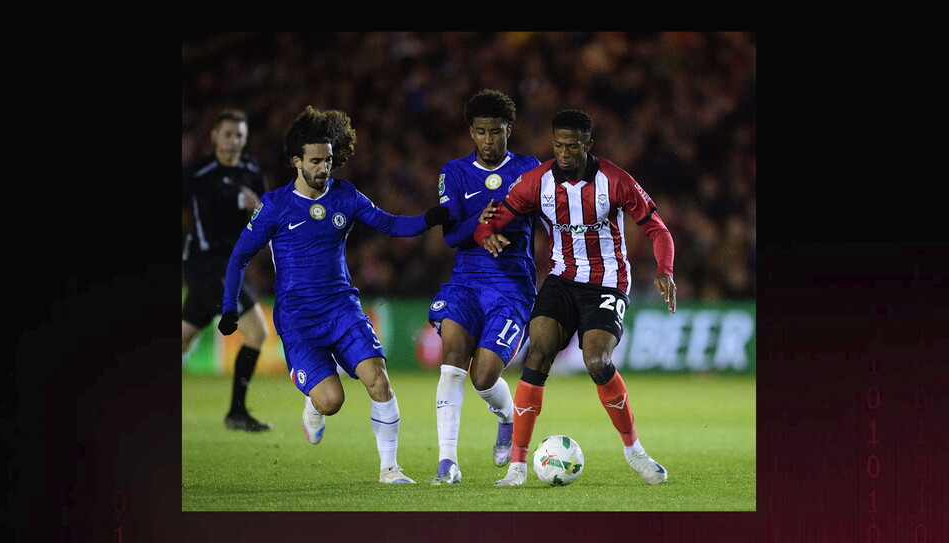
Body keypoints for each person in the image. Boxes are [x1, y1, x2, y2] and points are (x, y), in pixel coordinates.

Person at [219, 105, 452, 484]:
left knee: (378, 379)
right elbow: (239, 257)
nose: (324, 168)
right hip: (298, 319)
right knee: (332, 401)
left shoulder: (345, 196)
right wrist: (229, 307)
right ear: (296, 161)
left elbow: (389, 224)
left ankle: (390, 469)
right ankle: (313, 404)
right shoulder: (275, 206)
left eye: (328, 160)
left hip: (342, 307)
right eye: (315, 161)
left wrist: (428, 219)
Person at [474, 108, 677, 487]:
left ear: (588, 144)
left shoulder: (615, 181)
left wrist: (664, 270)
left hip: (607, 281)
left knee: (596, 359)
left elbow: (657, 229)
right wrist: (485, 232)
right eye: (558, 145)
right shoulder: (536, 182)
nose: (564, 153)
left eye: (572, 146)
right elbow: (492, 220)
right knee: (537, 354)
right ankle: (517, 466)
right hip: (561, 278)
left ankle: (634, 451)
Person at [426, 89, 542, 485]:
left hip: (512, 287)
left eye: (496, 131)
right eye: (481, 132)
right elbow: (450, 237)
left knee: (484, 377)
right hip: (467, 282)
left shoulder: (531, 169)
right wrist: (479, 226)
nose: (489, 140)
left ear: (510, 129)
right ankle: (447, 461)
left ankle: (508, 417)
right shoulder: (454, 172)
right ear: (470, 133)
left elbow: (551, 219)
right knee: (453, 356)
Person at [182, 108, 272, 432]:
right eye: (228, 134)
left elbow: (266, 211)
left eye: (239, 135)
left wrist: (257, 207)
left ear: (245, 139)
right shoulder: (198, 174)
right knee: (257, 332)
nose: (233, 141)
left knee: (183, 338)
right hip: (205, 264)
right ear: (214, 137)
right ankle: (236, 412)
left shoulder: (250, 169)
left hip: (230, 265)